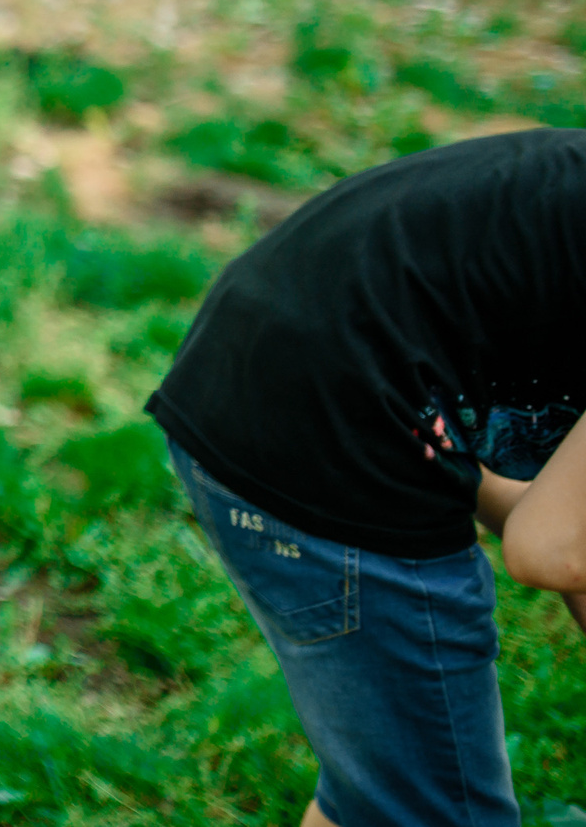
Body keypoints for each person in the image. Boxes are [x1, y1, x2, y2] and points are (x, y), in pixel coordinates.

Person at [147, 126, 586, 827]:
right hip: (325, 435)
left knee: (389, 800)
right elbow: (553, 550)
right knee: (439, 812)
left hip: (254, 365)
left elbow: (555, 525)